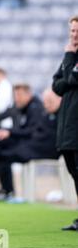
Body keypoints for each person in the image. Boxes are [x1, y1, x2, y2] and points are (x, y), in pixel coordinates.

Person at [52, 15, 78, 231]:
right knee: (74, 170)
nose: (74, 35)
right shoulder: (70, 56)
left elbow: (70, 78)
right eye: (72, 31)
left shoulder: (70, 55)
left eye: (77, 31)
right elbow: (57, 85)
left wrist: (69, 55)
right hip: (68, 124)